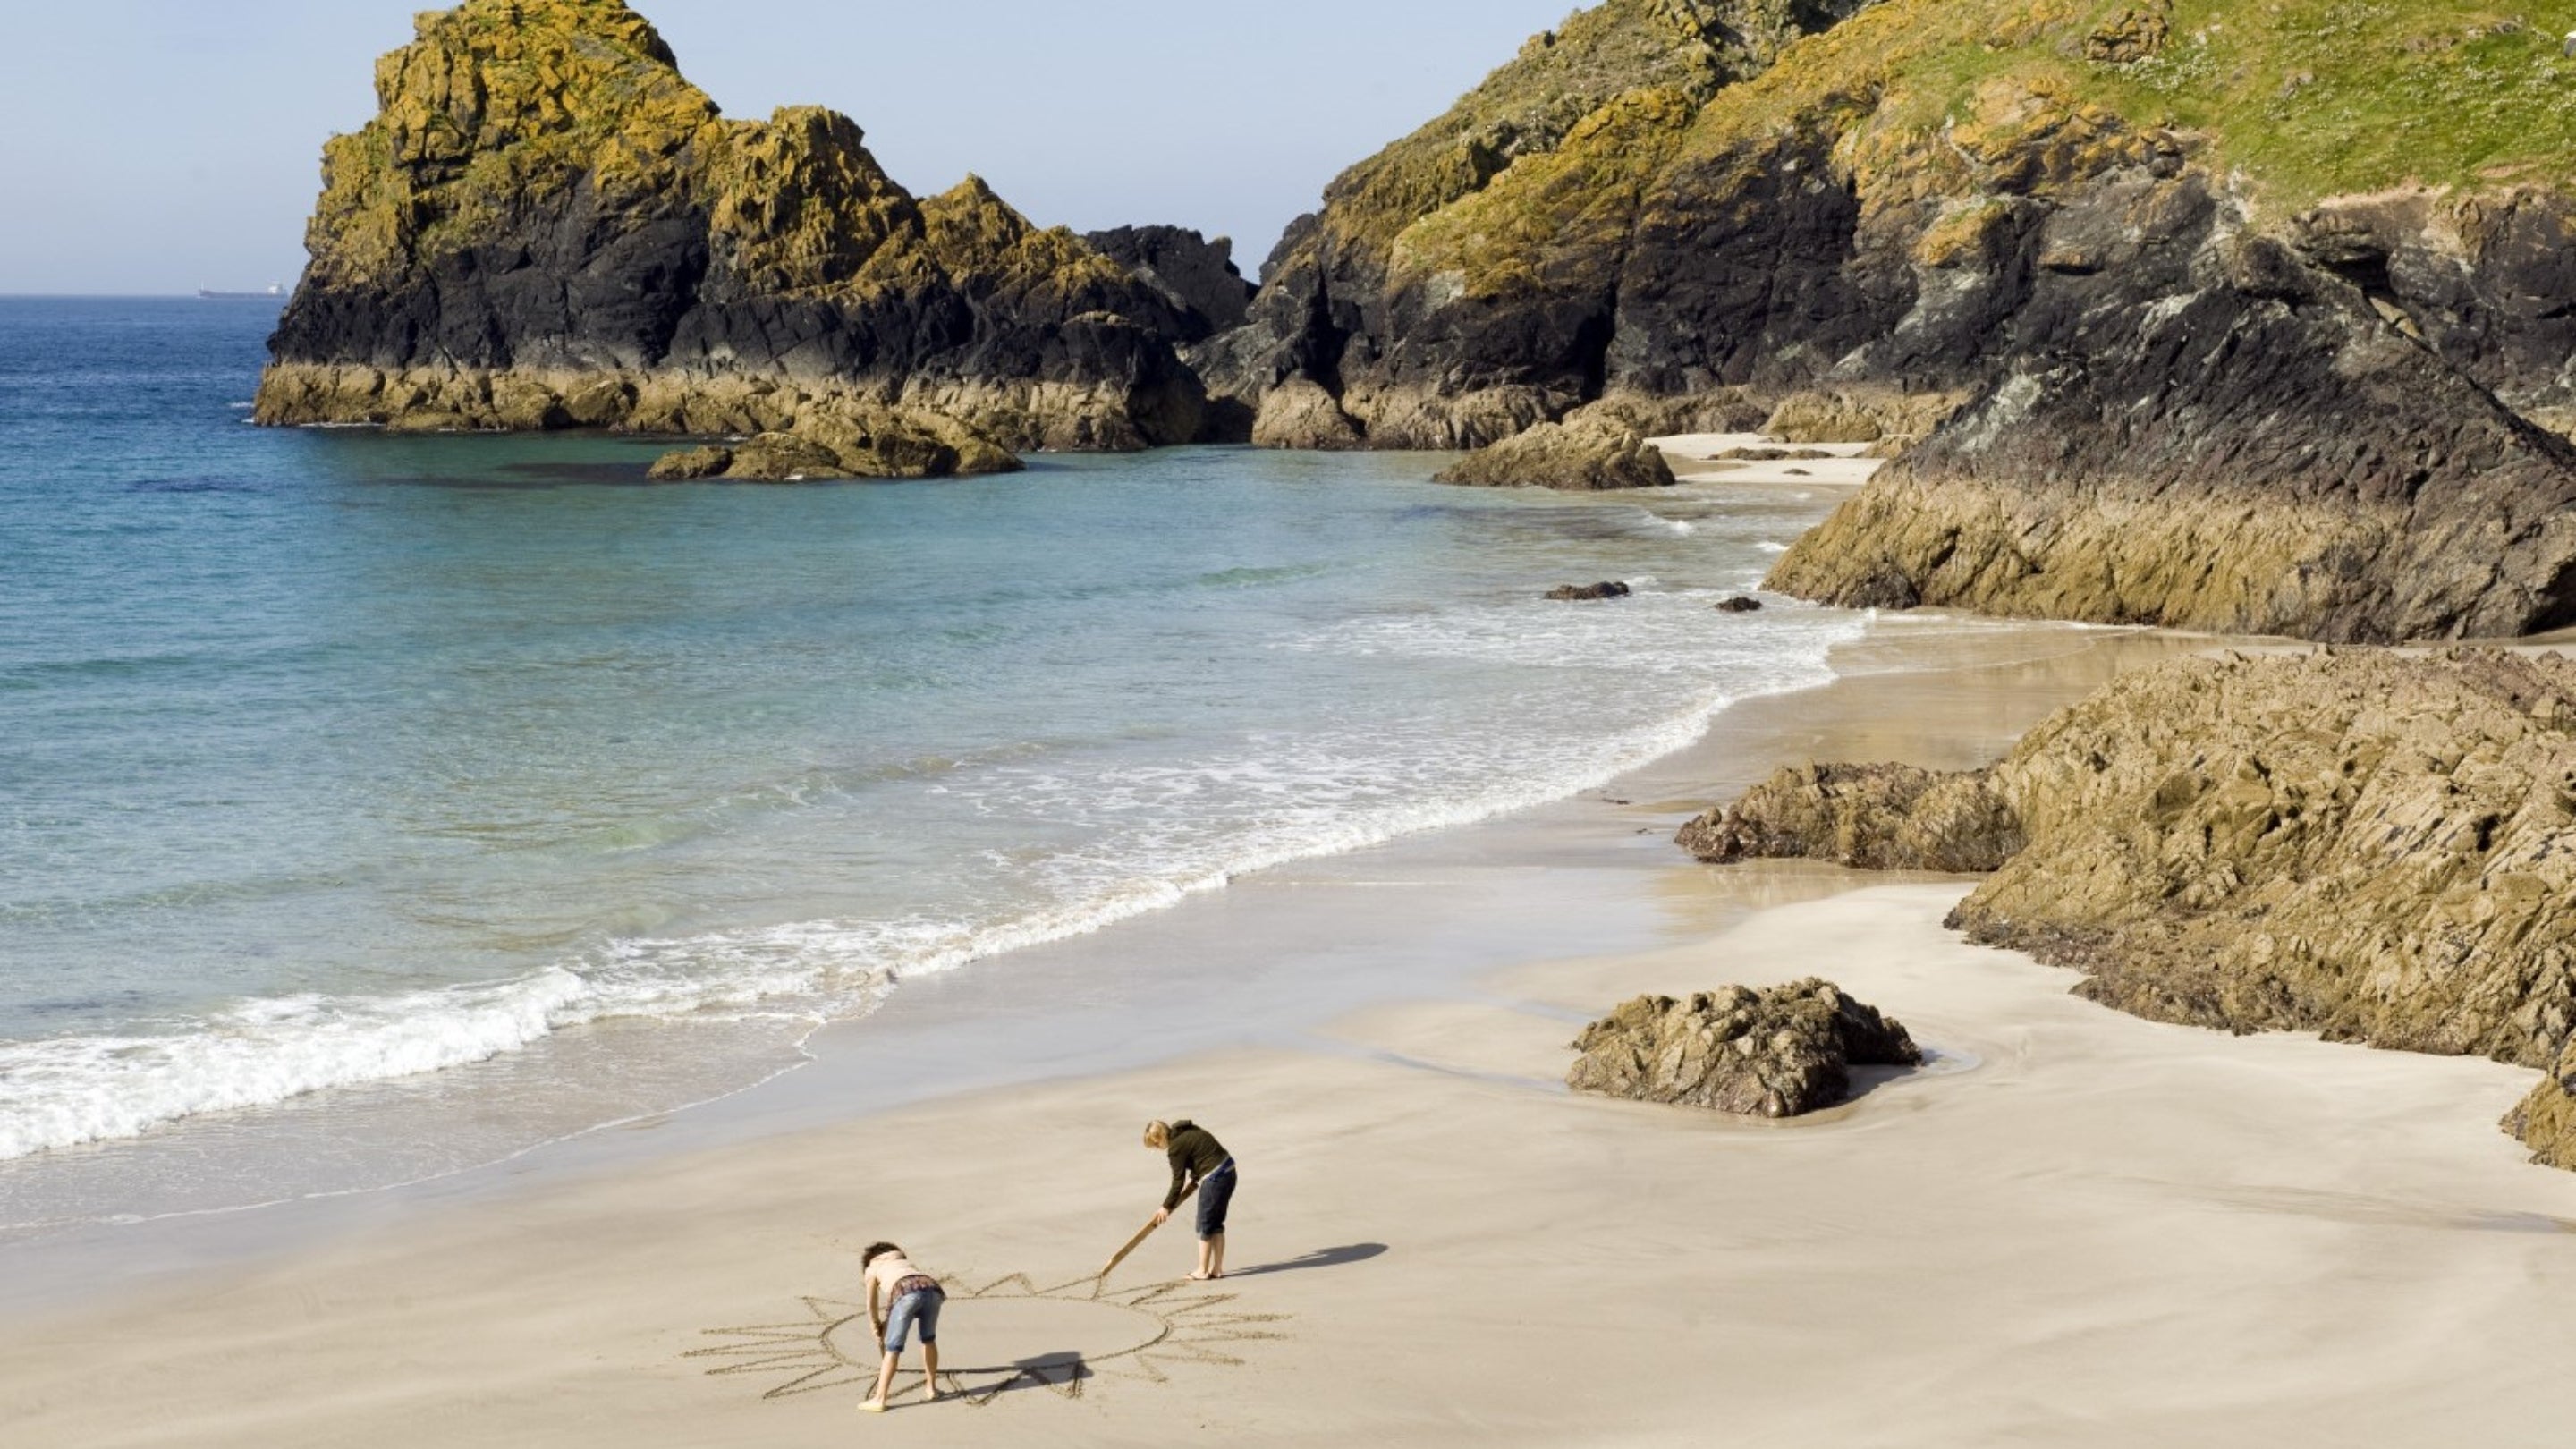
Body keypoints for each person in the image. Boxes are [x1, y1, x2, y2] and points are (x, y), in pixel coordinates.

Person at [1144, 1118, 1237, 1280]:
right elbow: (1200, 1152)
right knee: (1216, 1223)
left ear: (1161, 1137)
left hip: (1214, 1177)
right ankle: (1217, 1269)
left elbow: (1177, 1181)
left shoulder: (1175, 1148)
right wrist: (1195, 1178)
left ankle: (1202, 1270)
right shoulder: (1187, 1131)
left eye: (1156, 1144)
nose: (1157, 1148)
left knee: (1204, 1224)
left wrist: (1166, 1206)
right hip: (1229, 1171)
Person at [857, 1242, 945, 1412]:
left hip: (905, 1292)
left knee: (893, 1349)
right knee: (928, 1339)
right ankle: (931, 1388)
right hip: (932, 1289)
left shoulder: (871, 1268)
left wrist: (876, 1326)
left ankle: (879, 1399)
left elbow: (871, 1305)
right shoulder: (903, 1260)